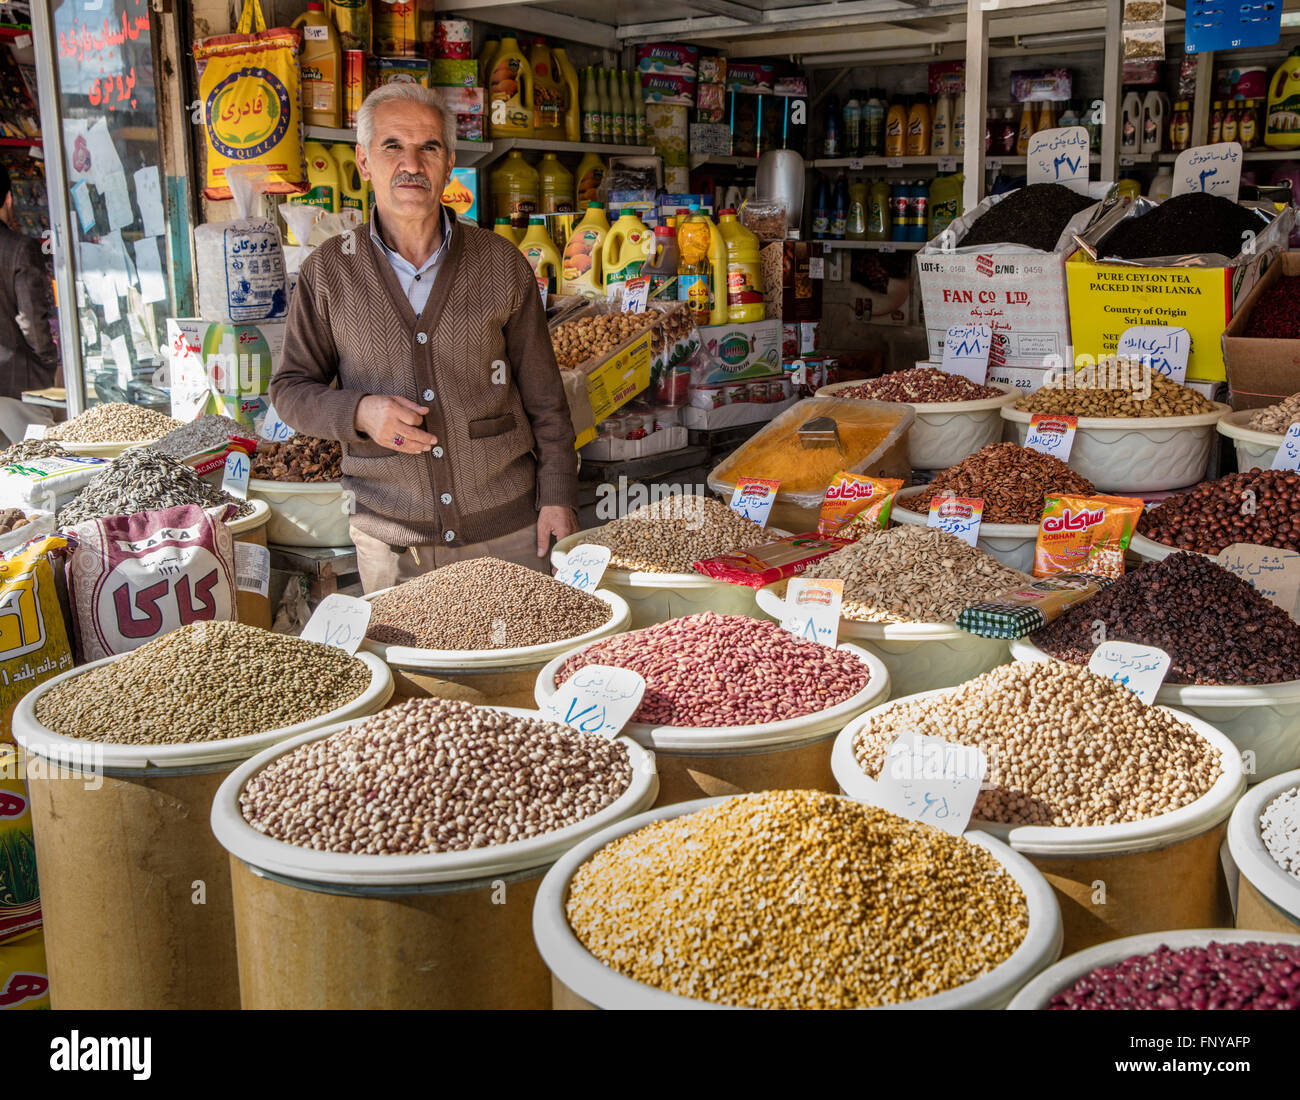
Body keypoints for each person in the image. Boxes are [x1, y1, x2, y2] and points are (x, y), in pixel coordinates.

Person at [269, 84, 579, 593]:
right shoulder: (328, 272)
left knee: (519, 670)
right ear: (364, 162)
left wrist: (559, 496)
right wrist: (360, 413)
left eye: (429, 148)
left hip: (509, 535)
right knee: (413, 674)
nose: (411, 163)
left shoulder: (502, 264)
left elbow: (547, 401)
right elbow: (289, 389)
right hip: (393, 544)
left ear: (449, 162)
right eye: (393, 146)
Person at [0, 163, 58, 444]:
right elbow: (31, 318)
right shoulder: (19, 247)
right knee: (39, 460)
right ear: (9, 199)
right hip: (16, 382)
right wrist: (48, 360)